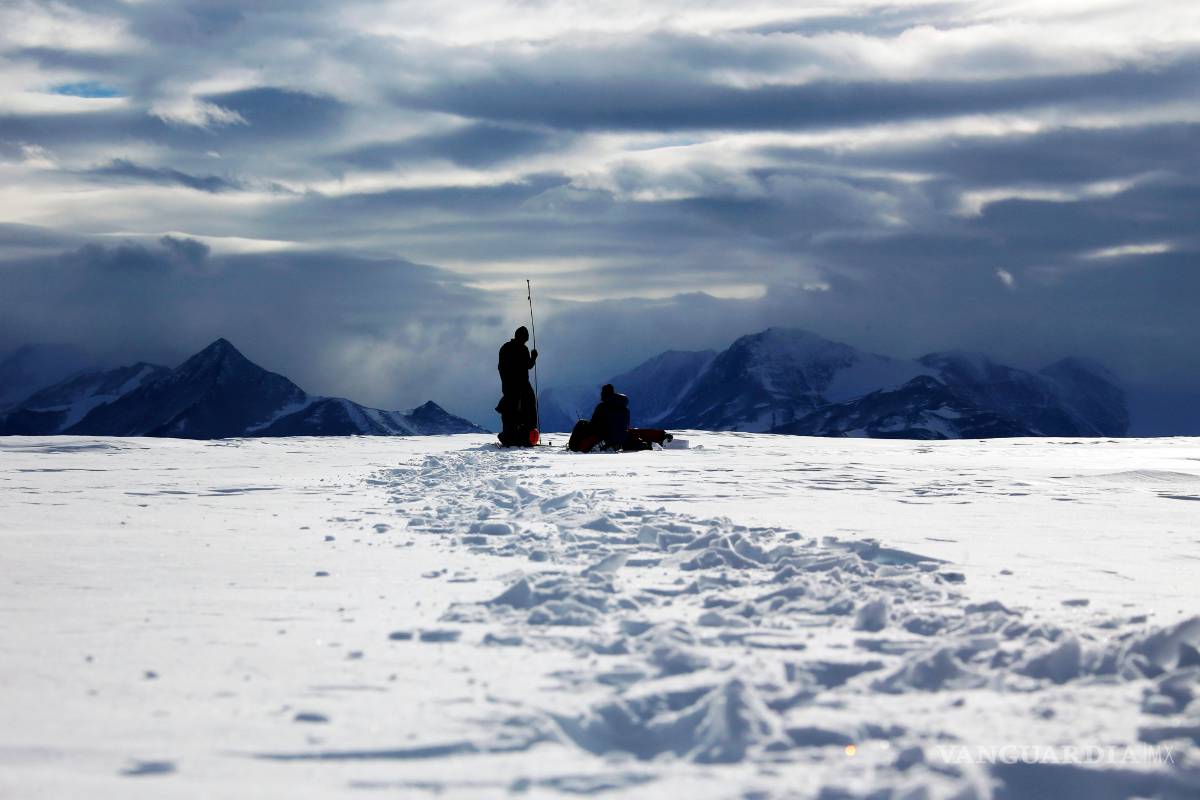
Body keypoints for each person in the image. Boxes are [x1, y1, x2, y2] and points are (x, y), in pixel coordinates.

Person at [568, 384, 673, 452]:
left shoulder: (602, 407)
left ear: (604, 394)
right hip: (621, 438)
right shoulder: (624, 408)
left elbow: (595, 425)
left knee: (582, 423)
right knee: (636, 432)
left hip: (605, 438)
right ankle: (660, 437)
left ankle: (573, 447)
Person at [495, 326, 538, 446]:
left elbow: (501, 368)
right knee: (528, 409)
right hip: (522, 385)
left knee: (510, 411)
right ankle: (525, 436)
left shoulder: (505, 348)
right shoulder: (523, 349)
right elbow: (528, 365)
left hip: (509, 386)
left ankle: (509, 435)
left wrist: (506, 381)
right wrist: (533, 357)